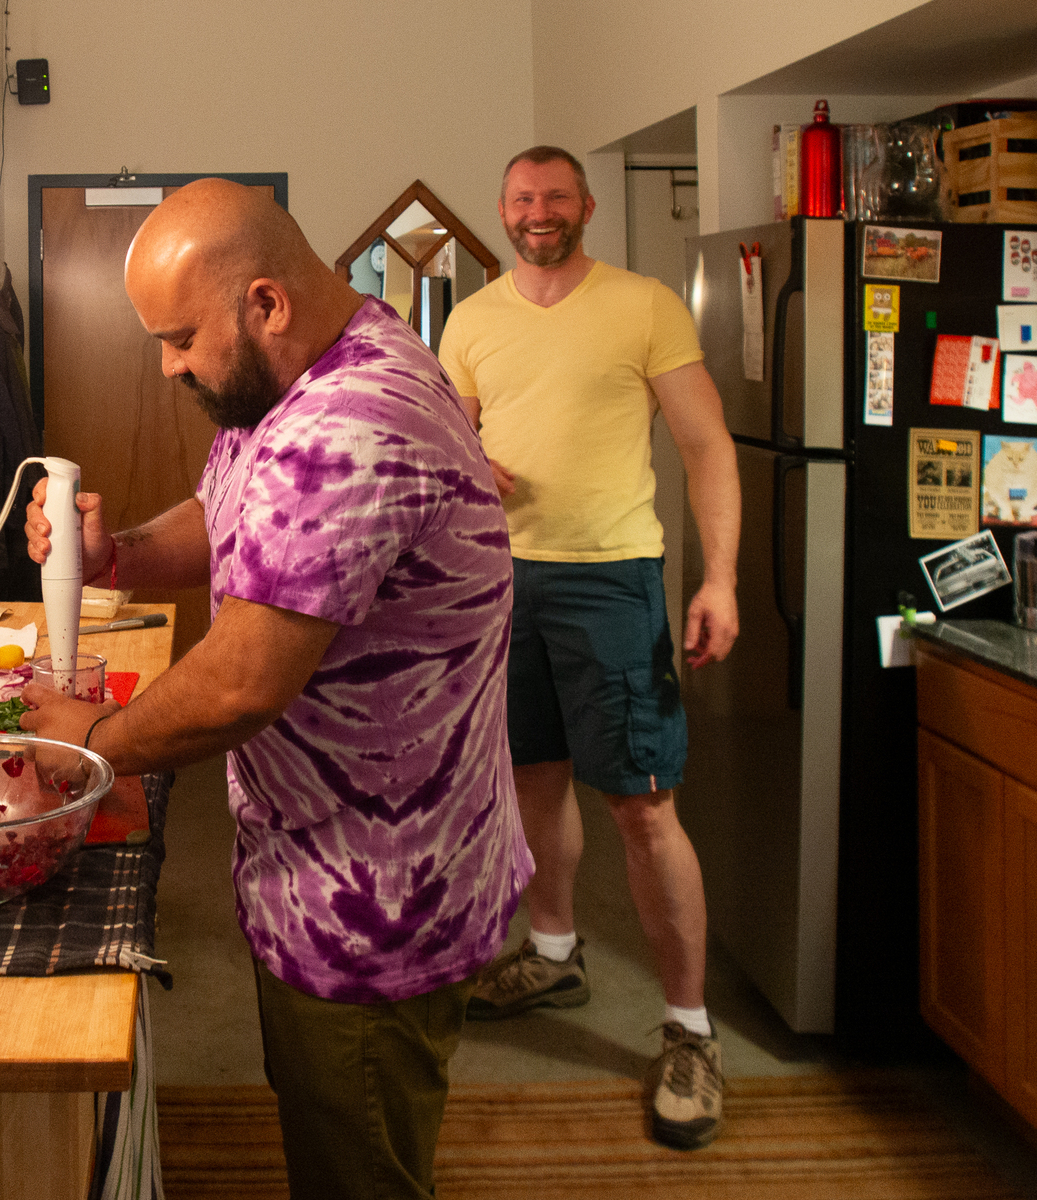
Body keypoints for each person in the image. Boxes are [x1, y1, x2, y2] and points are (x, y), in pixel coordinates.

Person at [20, 178, 532, 1199]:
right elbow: (231, 517)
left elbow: (244, 683)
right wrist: (113, 553)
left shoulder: (346, 426)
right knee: (328, 1126)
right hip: (338, 857)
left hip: (374, 898)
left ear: (266, 303)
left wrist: (97, 740)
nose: (165, 365)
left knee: (358, 1164)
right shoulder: (314, 366)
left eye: (177, 337)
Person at [436, 146, 741, 1150]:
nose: (538, 212)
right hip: (503, 581)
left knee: (644, 810)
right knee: (533, 779)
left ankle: (691, 1032)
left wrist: (721, 578)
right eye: (522, 197)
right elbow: (452, 445)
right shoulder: (473, 319)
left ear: (585, 208)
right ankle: (555, 951)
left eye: (555, 197)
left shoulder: (645, 305)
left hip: (614, 579)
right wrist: (471, 461)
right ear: (504, 208)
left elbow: (707, 444)